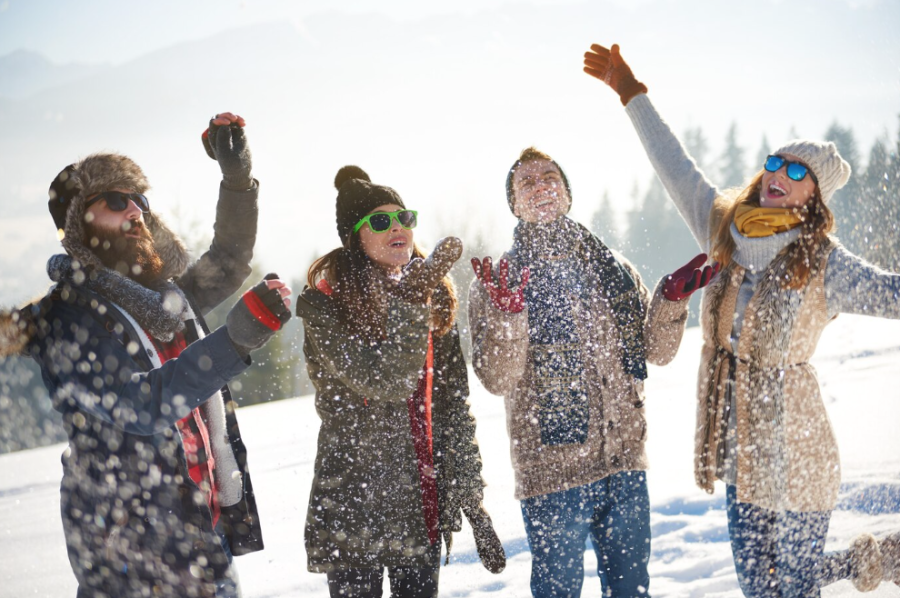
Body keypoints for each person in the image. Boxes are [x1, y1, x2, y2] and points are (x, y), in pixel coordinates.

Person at [584, 42, 900, 596]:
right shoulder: (722, 229)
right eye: (774, 162)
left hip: (799, 450)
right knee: (761, 589)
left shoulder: (824, 261)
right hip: (738, 454)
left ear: (813, 197)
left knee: (794, 586)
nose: (777, 171)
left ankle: (872, 559)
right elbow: (675, 166)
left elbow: (893, 293)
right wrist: (631, 94)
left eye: (795, 169)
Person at [0, 113, 291, 597]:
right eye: (116, 201)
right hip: (130, 553)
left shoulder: (162, 299)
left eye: (139, 200)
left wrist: (236, 178)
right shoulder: (66, 319)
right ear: (78, 226)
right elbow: (138, 406)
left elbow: (228, 258)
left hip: (200, 532)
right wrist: (233, 341)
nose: (135, 211)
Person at [467, 146, 716, 597]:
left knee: (631, 591)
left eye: (549, 178)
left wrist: (671, 302)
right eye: (526, 183)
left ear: (566, 193)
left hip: (624, 464)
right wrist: (508, 317)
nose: (540, 186)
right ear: (514, 205)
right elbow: (496, 379)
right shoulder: (500, 279)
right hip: (553, 478)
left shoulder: (612, 268)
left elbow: (655, 353)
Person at [296, 166, 505, 598]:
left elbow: (451, 407)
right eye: (379, 220)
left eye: (404, 217)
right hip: (354, 507)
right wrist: (412, 302)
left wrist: (469, 492)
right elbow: (386, 379)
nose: (397, 227)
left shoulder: (431, 296)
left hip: (419, 504)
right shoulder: (324, 307)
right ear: (355, 237)